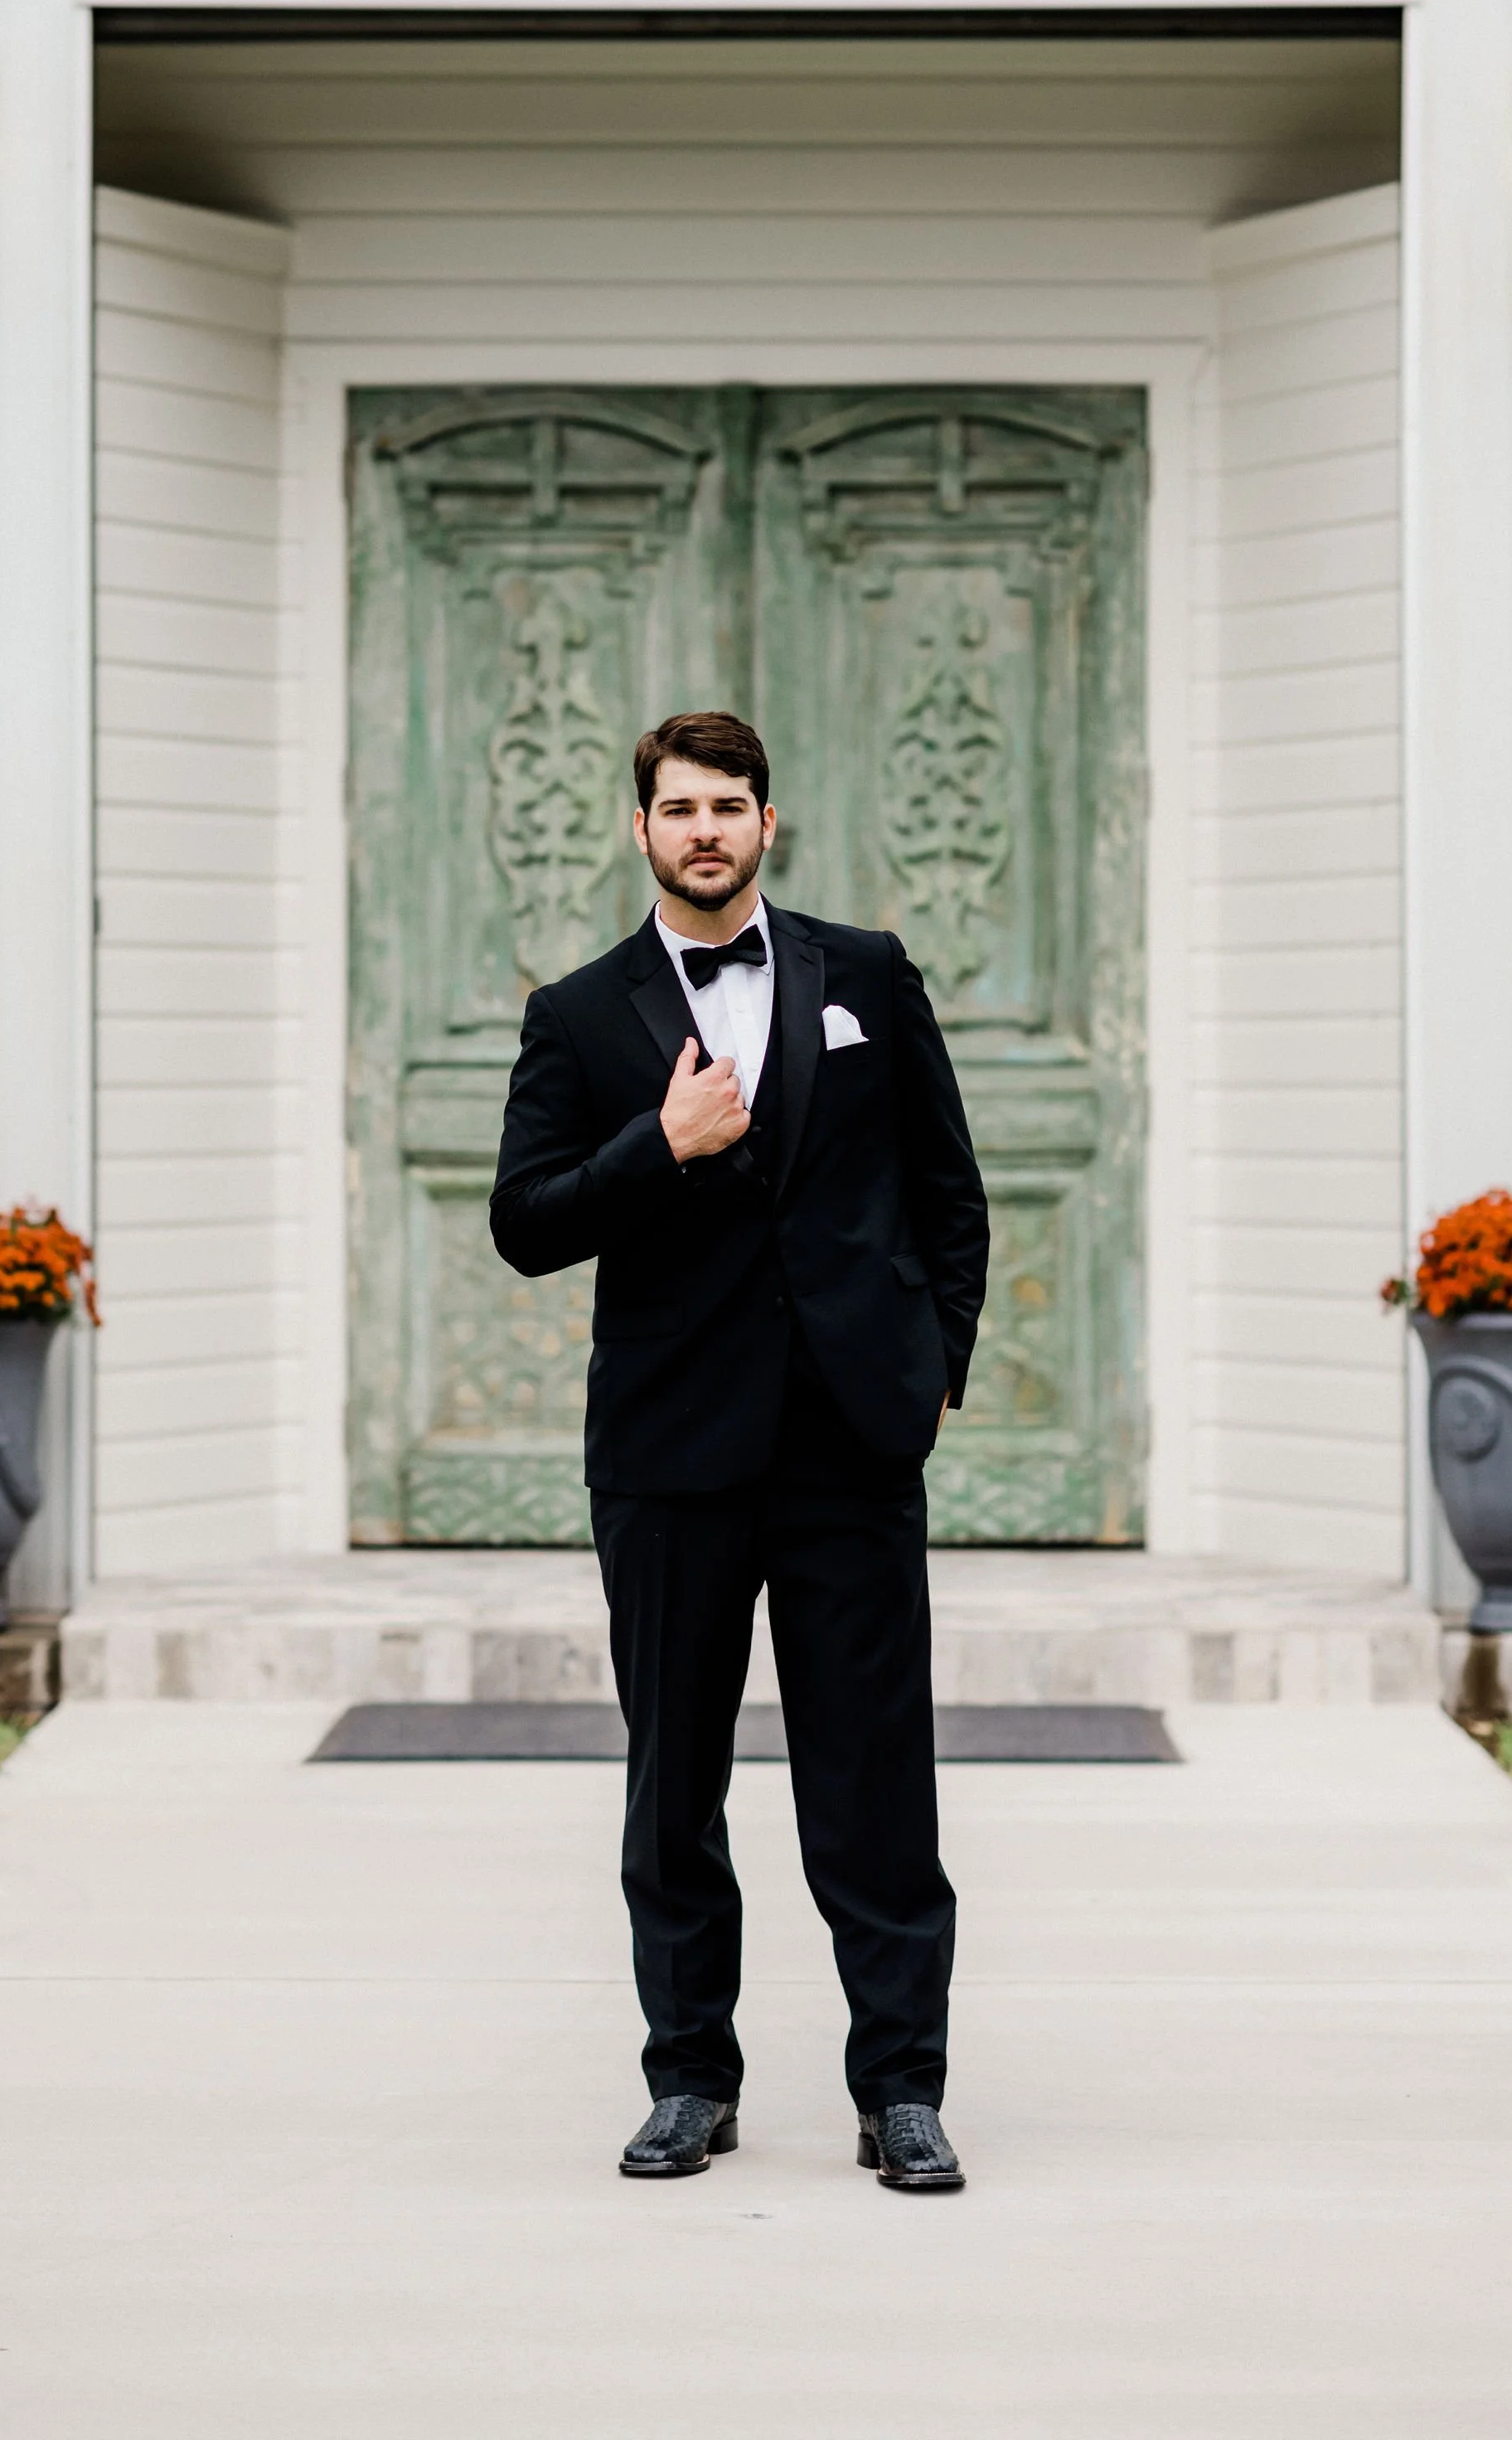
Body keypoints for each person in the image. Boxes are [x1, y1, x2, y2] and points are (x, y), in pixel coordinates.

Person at [490, 710, 990, 2192]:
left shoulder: (870, 978)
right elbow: (525, 1223)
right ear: (641, 831)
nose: (705, 829)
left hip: (849, 1444)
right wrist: (663, 1145)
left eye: (730, 804)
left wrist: (934, 1365)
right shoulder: (578, 1016)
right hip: (669, 1451)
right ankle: (688, 2078)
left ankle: (901, 2087)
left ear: (769, 822)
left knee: (875, 1779)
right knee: (675, 1783)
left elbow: (946, 1189)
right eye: (679, 807)